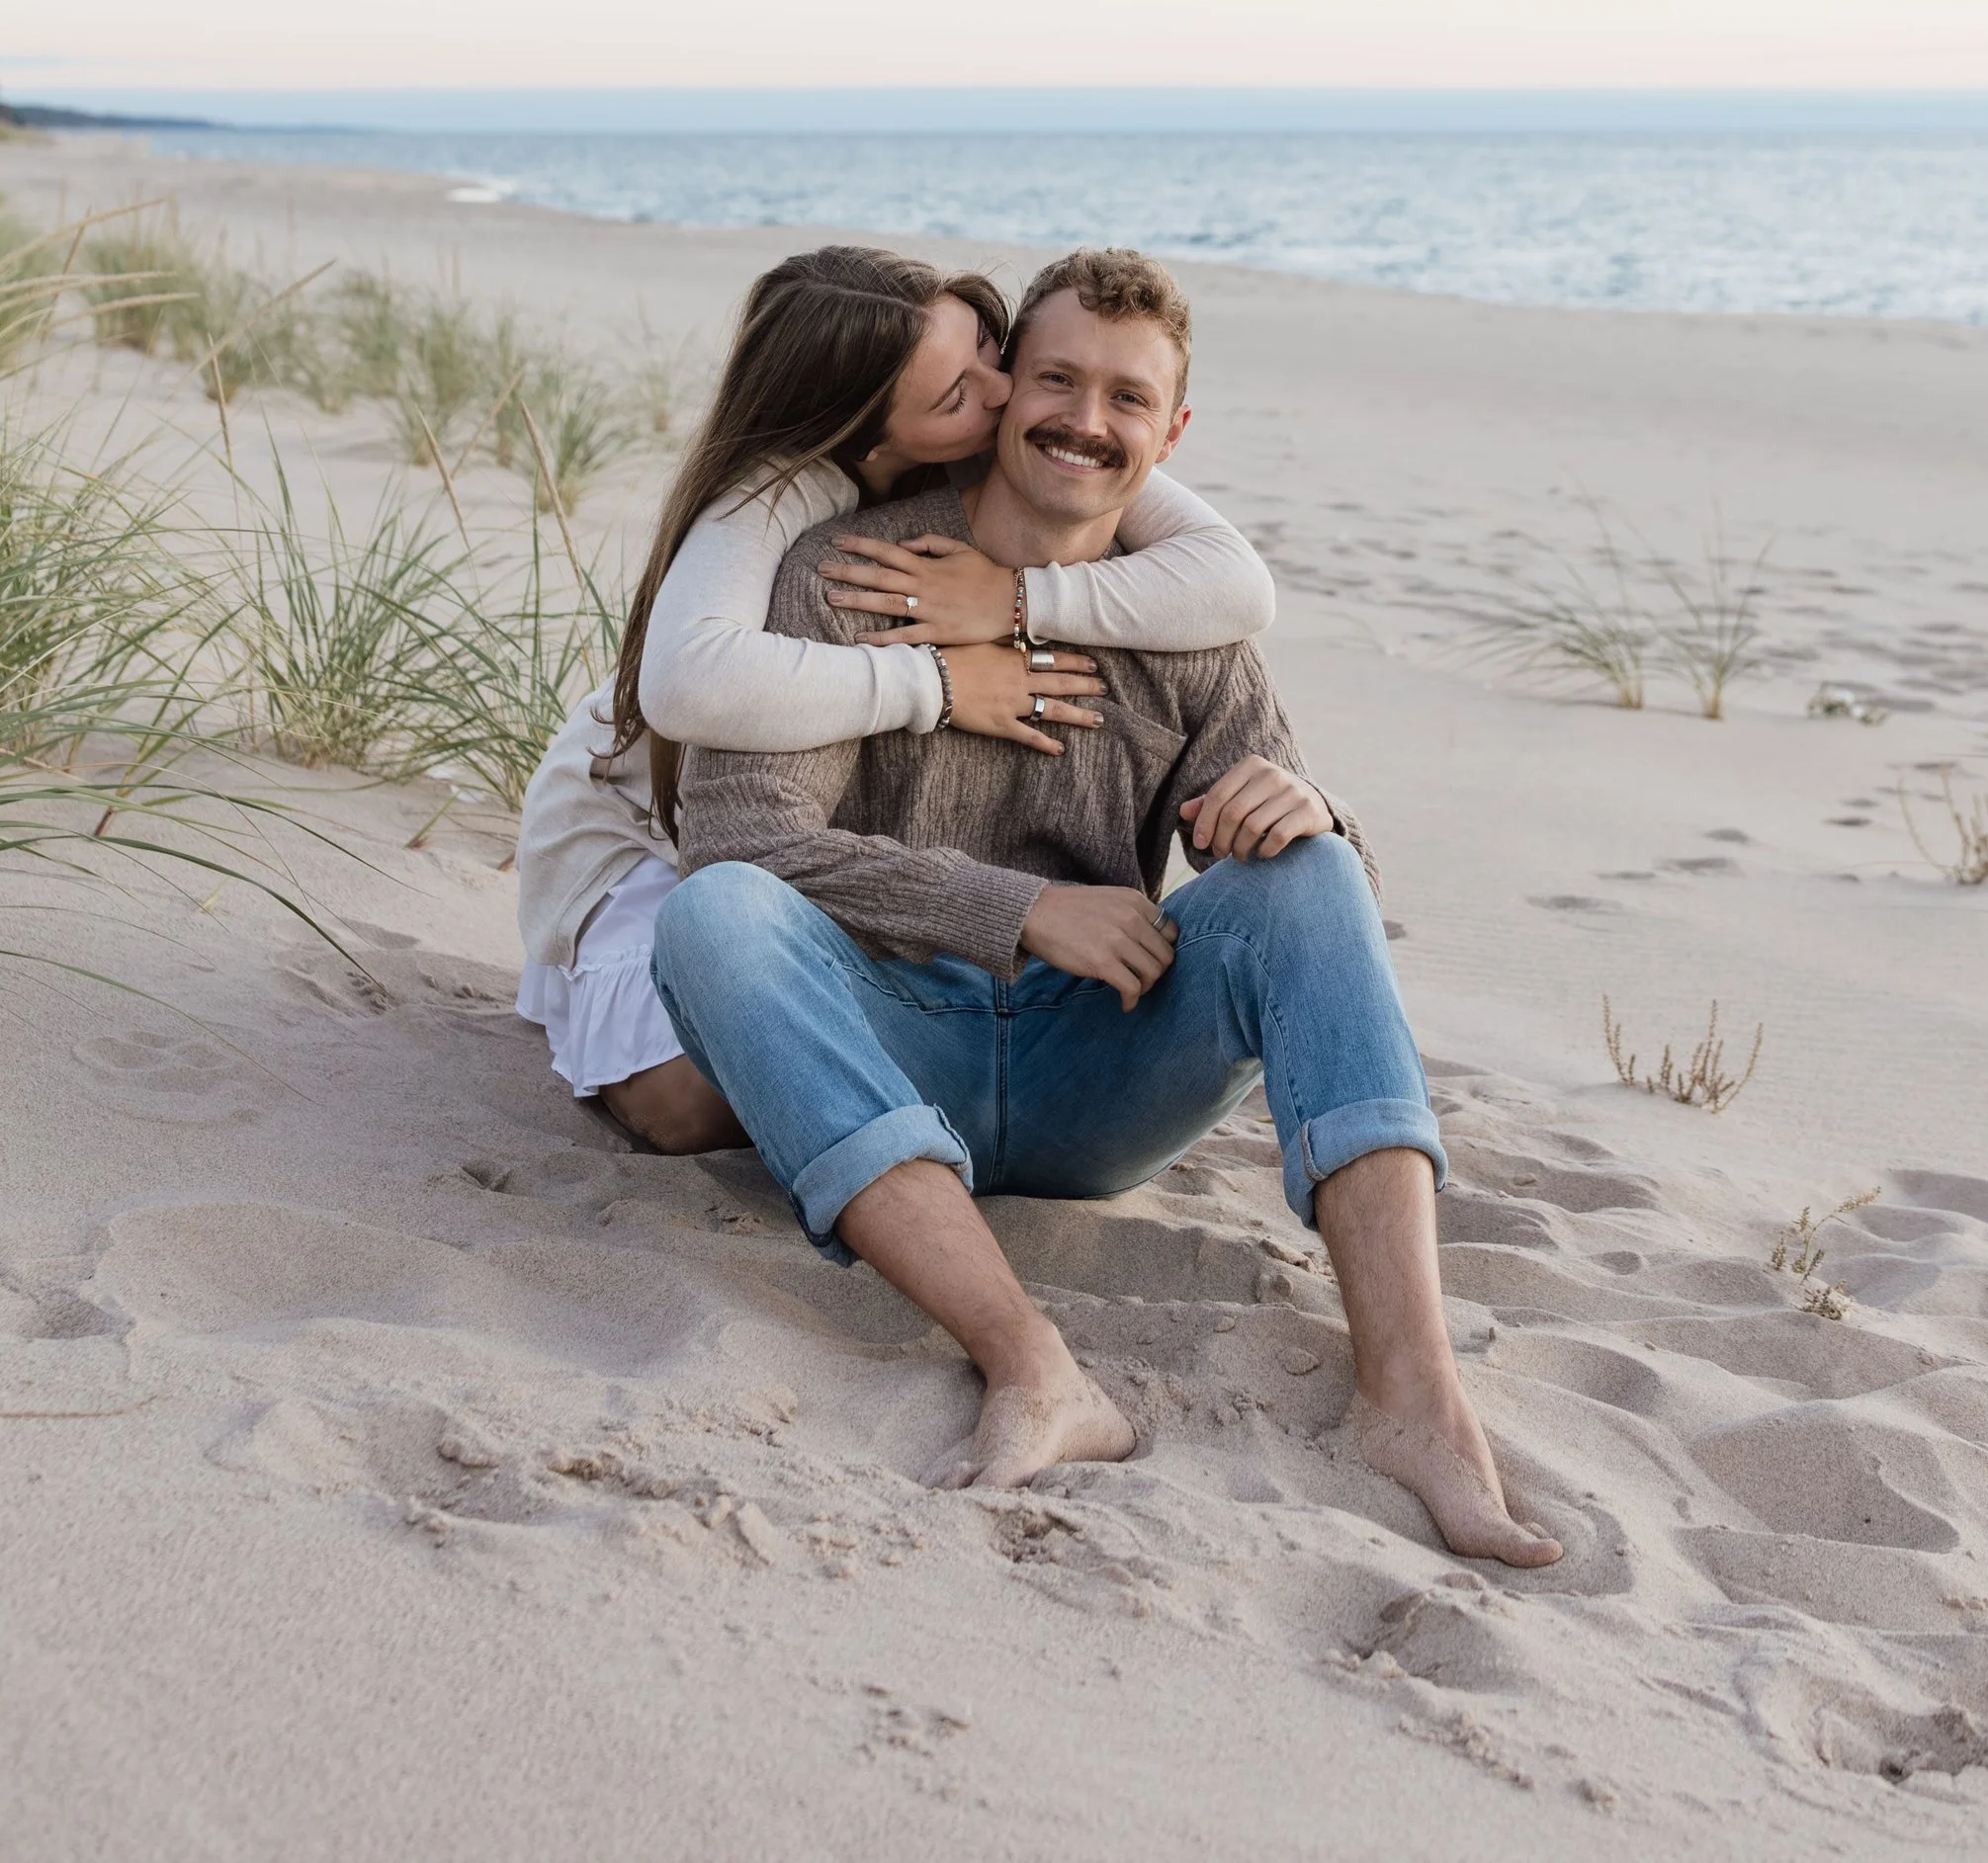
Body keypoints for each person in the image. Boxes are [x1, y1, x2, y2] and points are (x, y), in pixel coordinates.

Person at [652, 246, 1561, 1570]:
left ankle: (1414, 1400)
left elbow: (1283, 875)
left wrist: (1300, 807)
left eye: (1129, 398)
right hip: (897, 1036)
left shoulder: (1188, 619)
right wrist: (1017, 905)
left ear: (1172, 431)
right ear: (1008, 384)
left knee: (1314, 866)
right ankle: (1033, 1363)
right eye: (1060, 378)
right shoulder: (844, 571)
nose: (1088, 419)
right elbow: (740, 837)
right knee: (713, 915)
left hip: (1105, 1068)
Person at [513, 242, 1275, 1151]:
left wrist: (1017, 598)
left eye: (991, 355)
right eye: (959, 393)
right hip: (641, 812)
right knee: (696, 1108)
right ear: (873, 434)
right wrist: (939, 685)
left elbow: (1237, 585)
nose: (1002, 394)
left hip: (759, 810)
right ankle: (587, 1000)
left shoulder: (1043, 440)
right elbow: (683, 686)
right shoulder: (785, 492)